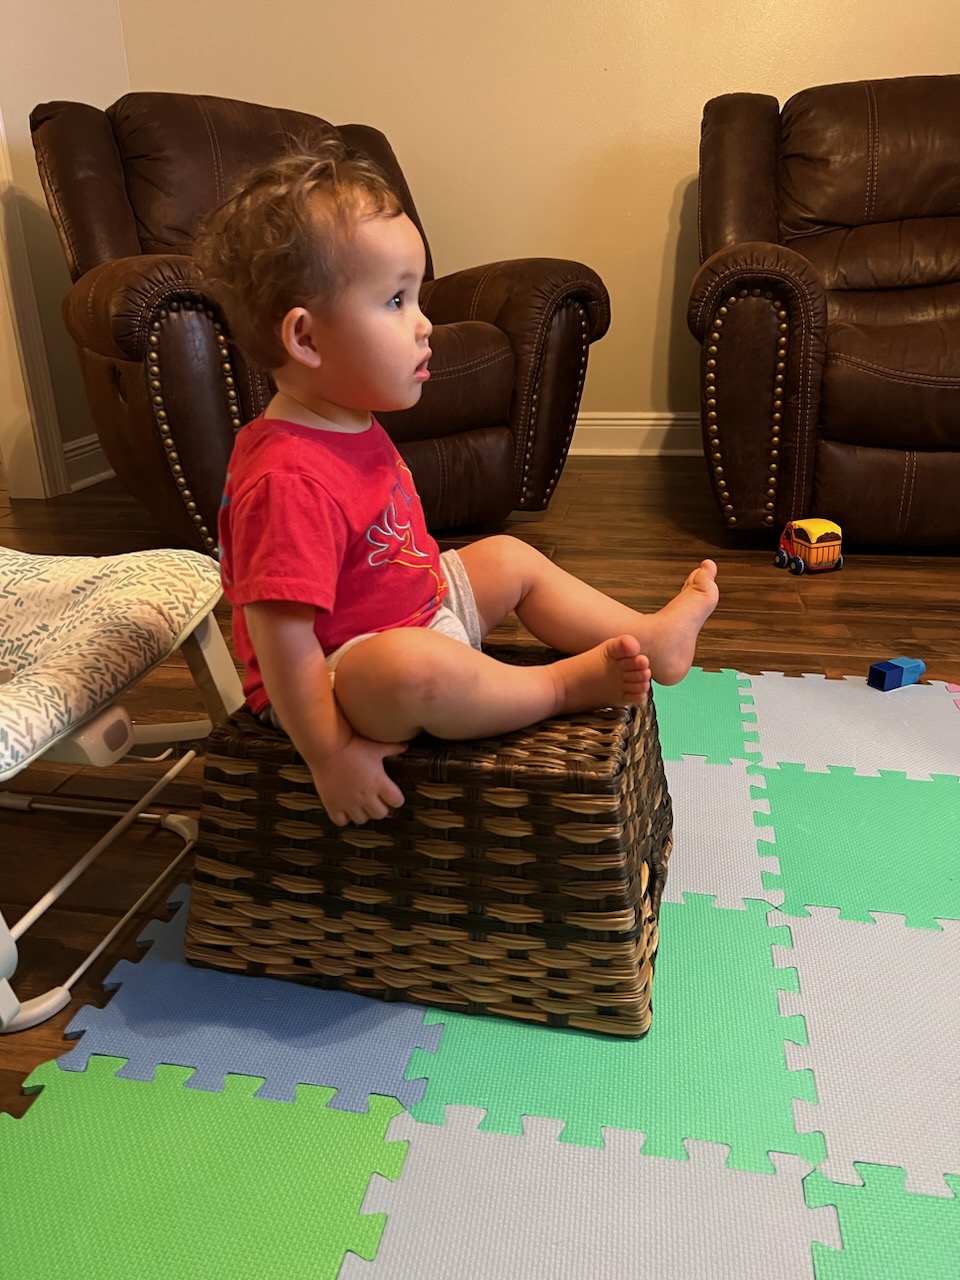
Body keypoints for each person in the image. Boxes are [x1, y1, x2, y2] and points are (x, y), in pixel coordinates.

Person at [194, 141, 719, 828]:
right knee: (412, 668)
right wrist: (328, 755)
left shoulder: (348, 419)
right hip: (340, 678)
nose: (424, 324)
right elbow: (280, 643)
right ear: (306, 339)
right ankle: (559, 686)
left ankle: (650, 637)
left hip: (412, 608)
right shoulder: (285, 477)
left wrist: (441, 603)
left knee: (507, 556)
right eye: (394, 300)